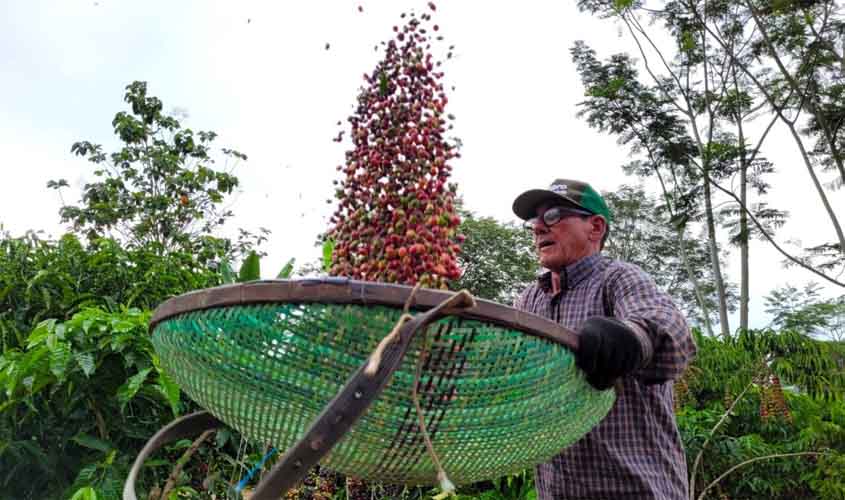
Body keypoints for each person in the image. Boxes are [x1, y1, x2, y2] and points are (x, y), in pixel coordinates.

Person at [512, 179, 697, 500]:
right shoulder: (530, 299)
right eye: (534, 221)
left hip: (635, 490)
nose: (539, 227)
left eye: (553, 215)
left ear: (595, 227)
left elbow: (671, 335)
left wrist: (629, 339)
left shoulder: (619, 278)